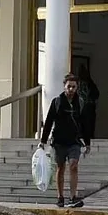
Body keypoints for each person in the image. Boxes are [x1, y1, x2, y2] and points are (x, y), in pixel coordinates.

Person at [40, 74, 91, 208]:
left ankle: (73, 196)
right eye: (69, 86)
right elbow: (49, 121)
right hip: (59, 141)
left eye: (74, 87)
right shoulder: (57, 102)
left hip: (74, 141)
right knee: (60, 167)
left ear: (77, 87)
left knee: (74, 165)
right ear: (64, 87)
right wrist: (43, 140)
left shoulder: (80, 102)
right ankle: (60, 196)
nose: (71, 89)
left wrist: (87, 142)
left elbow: (85, 123)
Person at [77, 64, 100, 141]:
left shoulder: (81, 83)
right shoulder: (90, 83)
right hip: (88, 106)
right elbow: (96, 94)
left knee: (84, 123)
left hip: (84, 106)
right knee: (88, 123)